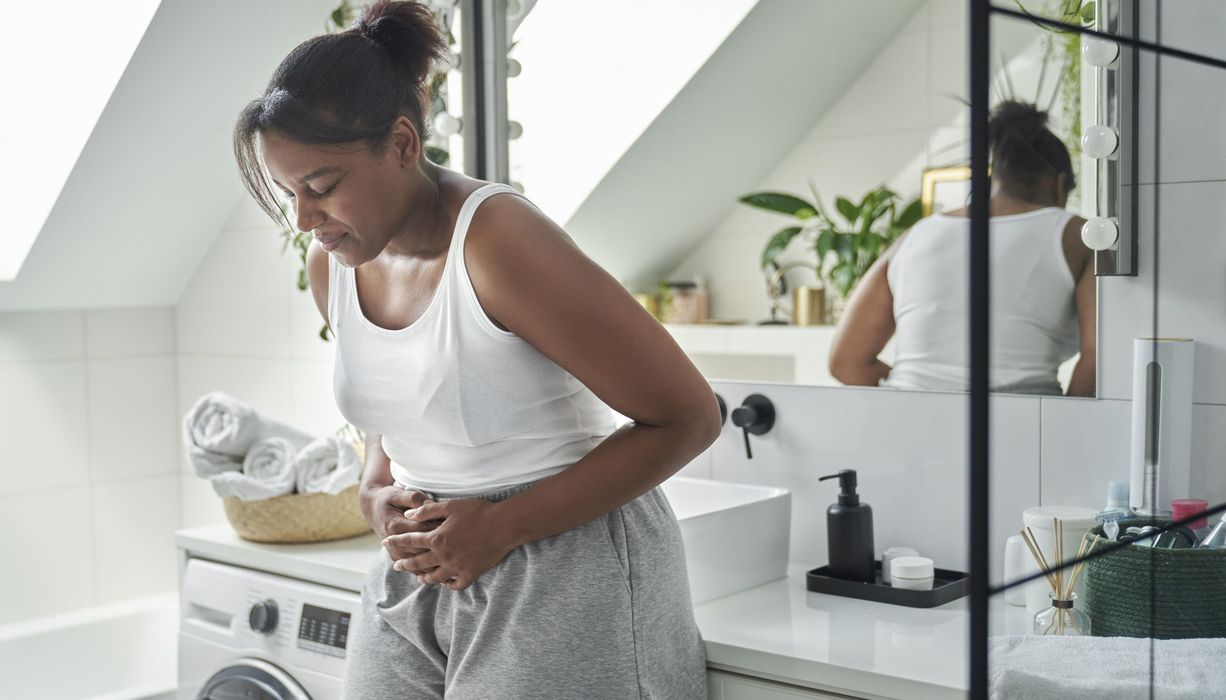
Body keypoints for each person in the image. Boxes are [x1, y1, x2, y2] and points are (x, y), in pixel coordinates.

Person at [232, 2, 719, 697]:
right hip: (422, 565)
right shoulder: (334, 265)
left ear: (402, 144)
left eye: (322, 188)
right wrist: (375, 487)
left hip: (566, 561)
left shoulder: (498, 244)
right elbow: (391, 402)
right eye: (291, 195)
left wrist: (503, 525)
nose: (307, 220)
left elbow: (690, 417)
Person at [828, 100, 1096, 397]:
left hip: (906, 423)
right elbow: (1099, 357)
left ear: (996, 178)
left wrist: (928, 392)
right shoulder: (1079, 235)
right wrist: (1069, 433)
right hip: (1024, 424)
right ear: (1058, 184)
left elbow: (846, 362)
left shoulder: (916, 234)